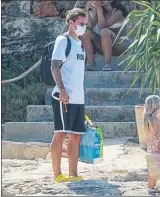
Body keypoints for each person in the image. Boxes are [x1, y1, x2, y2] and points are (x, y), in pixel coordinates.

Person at [50, 8, 87, 182]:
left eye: (85, 24)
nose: (83, 27)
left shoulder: (81, 44)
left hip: (78, 97)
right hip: (63, 96)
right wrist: (62, 90)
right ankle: (57, 175)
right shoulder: (63, 41)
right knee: (60, 133)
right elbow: (55, 66)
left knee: (76, 135)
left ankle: (73, 174)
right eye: (81, 24)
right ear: (71, 23)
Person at [80, 0, 131, 71]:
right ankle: (91, 64)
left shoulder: (118, 12)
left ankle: (107, 64)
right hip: (105, 45)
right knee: (86, 33)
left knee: (104, 31)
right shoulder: (99, 11)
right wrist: (87, 10)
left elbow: (102, 26)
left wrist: (98, 8)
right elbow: (89, 27)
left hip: (120, 45)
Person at [144, 95, 160, 193]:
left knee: (153, 165)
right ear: (157, 106)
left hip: (151, 143)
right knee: (154, 167)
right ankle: (150, 187)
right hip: (157, 144)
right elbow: (158, 133)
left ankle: (152, 186)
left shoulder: (146, 117)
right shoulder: (155, 118)